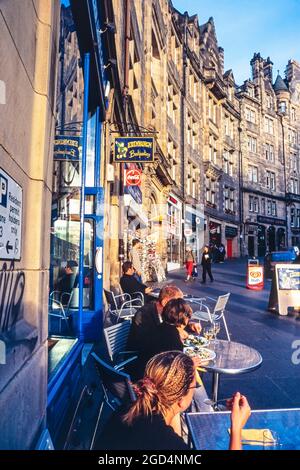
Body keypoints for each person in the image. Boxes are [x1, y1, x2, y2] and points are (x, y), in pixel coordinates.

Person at [95, 351, 251, 450]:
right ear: (181, 399)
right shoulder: (166, 442)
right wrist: (236, 428)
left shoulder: (129, 408)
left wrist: (176, 405)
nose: (196, 387)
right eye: (194, 385)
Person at [129, 298, 201, 380]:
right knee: (197, 384)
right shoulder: (174, 338)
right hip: (154, 382)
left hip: (140, 373)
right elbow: (173, 372)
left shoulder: (157, 327)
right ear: (184, 318)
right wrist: (190, 365)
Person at [127, 285, 201, 352]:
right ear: (165, 302)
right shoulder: (144, 314)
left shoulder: (167, 313)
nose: (180, 307)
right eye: (176, 303)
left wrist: (189, 325)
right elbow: (149, 341)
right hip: (142, 358)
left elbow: (173, 323)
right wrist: (176, 332)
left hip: (161, 354)